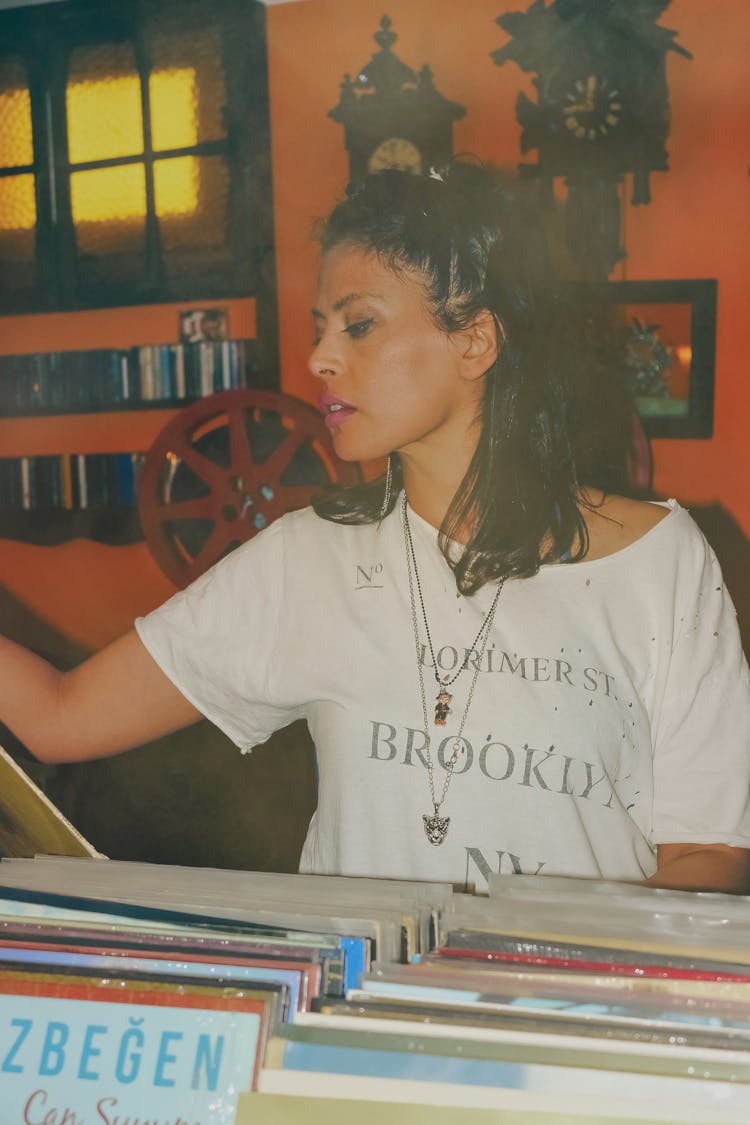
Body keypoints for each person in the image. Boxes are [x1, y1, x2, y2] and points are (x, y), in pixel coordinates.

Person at [1, 161, 749, 894]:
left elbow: (706, 853)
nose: (319, 357)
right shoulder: (311, 559)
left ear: (475, 342)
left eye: (359, 325)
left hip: (569, 1010)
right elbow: (59, 716)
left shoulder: (662, 562)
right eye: (322, 328)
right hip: (359, 1006)